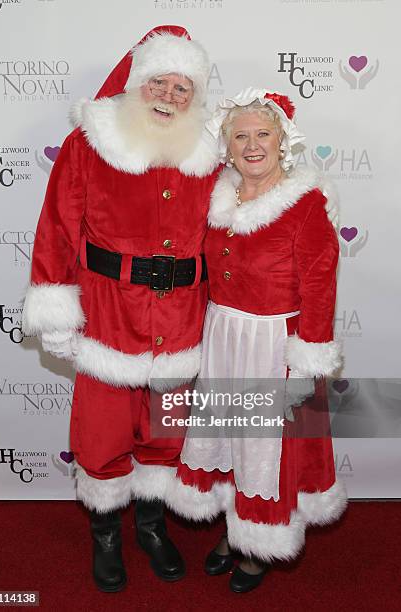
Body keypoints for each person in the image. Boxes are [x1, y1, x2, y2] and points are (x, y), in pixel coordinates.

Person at [22, 25, 222, 592]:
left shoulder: (209, 153)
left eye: (183, 88)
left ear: (196, 97)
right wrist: (57, 310)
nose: (169, 96)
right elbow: (57, 229)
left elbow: (234, 230)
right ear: (137, 84)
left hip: (182, 317)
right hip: (109, 314)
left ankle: (152, 526)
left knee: (167, 430)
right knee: (104, 428)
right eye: (159, 81)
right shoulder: (90, 144)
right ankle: (106, 531)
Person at [167, 88, 348, 593]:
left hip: (274, 345)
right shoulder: (217, 198)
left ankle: (259, 541)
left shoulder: (307, 203)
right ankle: (234, 525)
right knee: (229, 435)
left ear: (282, 140)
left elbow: (319, 283)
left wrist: (306, 354)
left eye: (262, 134)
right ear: (225, 145)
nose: (252, 145)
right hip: (224, 334)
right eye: (240, 135)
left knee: (267, 448)